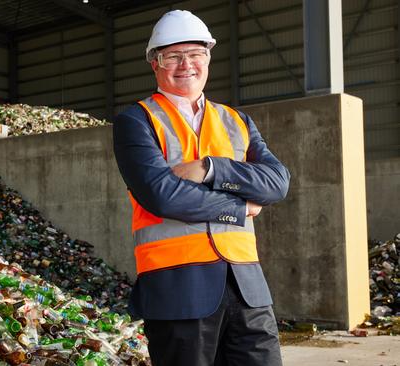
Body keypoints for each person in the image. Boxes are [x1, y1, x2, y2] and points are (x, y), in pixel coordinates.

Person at [112, 10, 290, 366]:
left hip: (248, 289)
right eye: (173, 56)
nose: (186, 65)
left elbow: (277, 182)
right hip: (177, 289)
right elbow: (162, 194)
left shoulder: (237, 121)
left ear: (208, 57)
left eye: (195, 54)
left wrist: (211, 167)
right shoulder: (136, 120)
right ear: (155, 64)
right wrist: (240, 207)